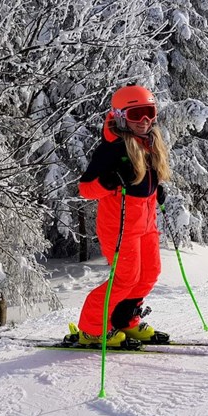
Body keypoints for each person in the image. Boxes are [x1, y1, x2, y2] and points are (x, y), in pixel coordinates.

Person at [67, 85, 171, 348]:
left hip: (146, 224)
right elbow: (86, 189)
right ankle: (91, 329)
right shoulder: (112, 148)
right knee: (126, 278)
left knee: (149, 273)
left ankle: (124, 320)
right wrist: (110, 181)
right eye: (137, 115)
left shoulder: (149, 143)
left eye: (149, 112)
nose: (145, 121)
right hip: (120, 226)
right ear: (121, 115)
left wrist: (155, 191)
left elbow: (142, 181)